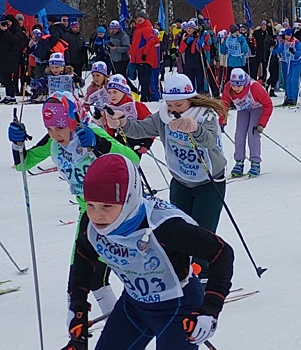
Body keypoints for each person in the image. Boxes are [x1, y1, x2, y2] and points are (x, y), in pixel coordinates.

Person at [63, 153, 234, 349]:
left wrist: (210, 309)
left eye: (107, 206)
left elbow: (222, 253)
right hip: (134, 306)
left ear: (128, 199)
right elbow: (84, 259)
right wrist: (77, 308)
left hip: (179, 307)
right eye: (90, 205)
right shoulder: (90, 225)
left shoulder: (164, 226)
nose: (97, 214)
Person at [8, 91, 140, 323]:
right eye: (49, 128)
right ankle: (87, 327)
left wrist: (99, 144)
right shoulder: (52, 143)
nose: (55, 134)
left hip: (117, 213)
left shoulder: (91, 133)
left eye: (60, 127)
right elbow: (24, 163)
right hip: (87, 213)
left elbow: (133, 159)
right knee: (82, 276)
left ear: (73, 119)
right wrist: (16, 142)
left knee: (112, 273)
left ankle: (127, 323)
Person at [103, 74, 228, 281]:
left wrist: (194, 128)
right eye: (169, 104)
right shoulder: (164, 116)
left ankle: (205, 277)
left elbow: (210, 141)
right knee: (177, 231)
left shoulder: (204, 115)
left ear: (190, 99)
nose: (173, 109)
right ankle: (181, 275)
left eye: (178, 104)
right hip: (180, 180)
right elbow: (140, 129)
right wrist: (122, 122)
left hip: (209, 182)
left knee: (202, 232)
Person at [220, 68, 273, 177]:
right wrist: (222, 121)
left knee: (252, 134)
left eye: (239, 86)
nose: (236, 88)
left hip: (257, 108)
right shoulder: (228, 87)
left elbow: (268, 105)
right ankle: (239, 162)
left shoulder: (255, 87)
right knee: (239, 134)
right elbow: (224, 104)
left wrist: (262, 124)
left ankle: (255, 162)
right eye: (234, 85)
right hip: (243, 109)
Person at [129, 11, 158, 102]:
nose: (139, 19)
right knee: (141, 78)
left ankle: (145, 96)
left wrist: (144, 53)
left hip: (144, 58)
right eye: (137, 18)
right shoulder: (137, 29)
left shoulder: (146, 28)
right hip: (139, 58)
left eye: (141, 17)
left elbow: (151, 40)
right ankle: (145, 95)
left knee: (145, 79)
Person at [0, 14, 27, 104]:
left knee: (10, 77)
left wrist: (6, 31)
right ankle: (9, 95)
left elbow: (15, 41)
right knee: (5, 77)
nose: (7, 24)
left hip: (12, 58)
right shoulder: (4, 31)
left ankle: (11, 95)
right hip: (4, 57)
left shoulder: (17, 31)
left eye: (9, 22)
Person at [272, 28, 301, 106]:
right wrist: (274, 51)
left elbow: (299, 53)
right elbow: (280, 49)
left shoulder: (296, 42)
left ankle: (293, 98)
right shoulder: (284, 42)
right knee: (287, 80)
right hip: (286, 62)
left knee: (293, 80)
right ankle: (288, 97)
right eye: (285, 35)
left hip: (295, 63)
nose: (286, 37)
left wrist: (294, 52)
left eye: (288, 35)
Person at [179, 21, 209, 94]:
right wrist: (186, 43)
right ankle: (191, 93)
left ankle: (201, 92)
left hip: (198, 61)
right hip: (189, 62)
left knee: (199, 79)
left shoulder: (198, 36)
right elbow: (181, 50)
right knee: (190, 79)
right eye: (187, 28)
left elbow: (206, 47)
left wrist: (204, 41)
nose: (189, 30)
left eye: (191, 28)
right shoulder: (184, 38)